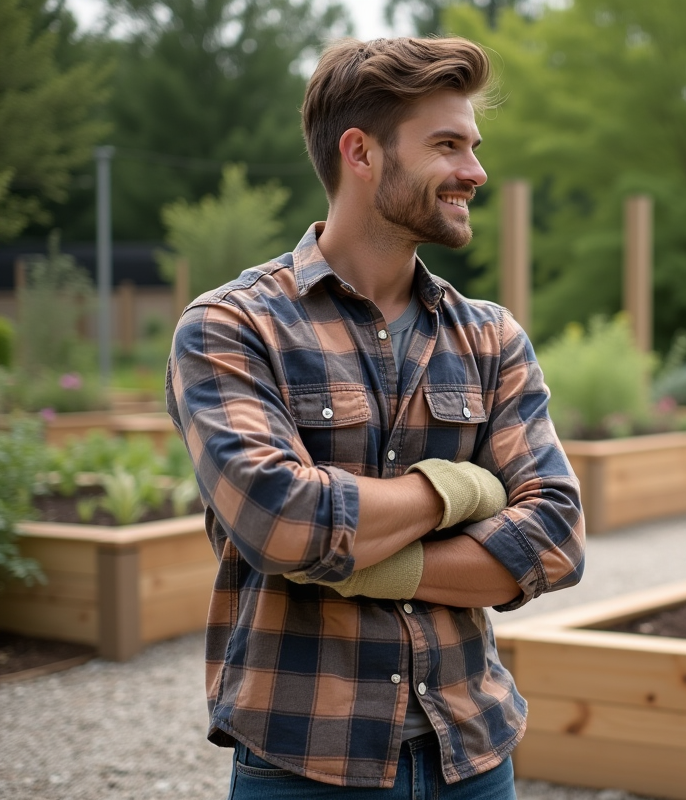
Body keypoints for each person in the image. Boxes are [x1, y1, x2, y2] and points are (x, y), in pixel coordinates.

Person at [165, 36, 585, 799]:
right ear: (361, 153)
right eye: (448, 145)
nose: (475, 171)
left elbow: (556, 538)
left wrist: (365, 564)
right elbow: (279, 522)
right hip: (304, 761)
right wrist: (460, 490)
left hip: (475, 754)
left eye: (474, 145)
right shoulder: (231, 327)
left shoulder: (490, 335)